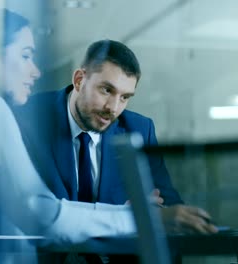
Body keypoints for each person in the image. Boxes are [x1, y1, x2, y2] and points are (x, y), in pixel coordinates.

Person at [17, 39, 218, 234]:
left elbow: (168, 204)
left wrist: (156, 212)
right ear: (79, 80)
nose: (113, 108)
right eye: (106, 90)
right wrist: (126, 215)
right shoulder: (28, 119)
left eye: (125, 97)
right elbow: (37, 210)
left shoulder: (139, 129)